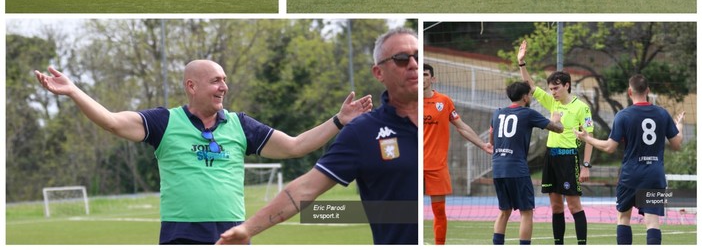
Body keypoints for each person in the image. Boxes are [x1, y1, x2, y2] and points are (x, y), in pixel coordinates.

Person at [34, 60, 372, 245]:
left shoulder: (241, 125)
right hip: (182, 235)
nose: (223, 86)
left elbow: (296, 145)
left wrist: (339, 120)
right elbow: (111, 122)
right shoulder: (164, 121)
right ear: (191, 86)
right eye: (214, 80)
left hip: (233, 233)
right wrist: (74, 91)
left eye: (224, 80)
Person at [216, 27, 419, 245]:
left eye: (418, 56)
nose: (413, 64)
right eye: (401, 58)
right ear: (379, 72)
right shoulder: (364, 132)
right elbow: (305, 187)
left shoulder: (441, 113)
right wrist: (248, 229)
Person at [575, 74, 684, 245]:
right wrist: (679, 127)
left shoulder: (623, 115)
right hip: (654, 175)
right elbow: (677, 145)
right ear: (648, 90)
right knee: (652, 221)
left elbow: (609, 147)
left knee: (624, 218)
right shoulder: (662, 114)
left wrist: (587, 138)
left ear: (629, 91)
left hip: (630, 175)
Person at [517, 39, 593, 245]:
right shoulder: (551, 102)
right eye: (550, 89)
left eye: (556, 88)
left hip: (569, 158)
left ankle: (582, 245)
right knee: (556, 206)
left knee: (574, 205)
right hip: (551, 157)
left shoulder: (581, 107)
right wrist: (521, 63)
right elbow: (531, 86)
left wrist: (585, 166)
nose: (553, 92)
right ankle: (558, 244)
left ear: (567, 85)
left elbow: (590, 138)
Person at [424, 63, 493, 245]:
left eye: (425, 74)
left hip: (436, 167)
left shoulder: (444, 101)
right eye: (419, 75)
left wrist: (482, 144)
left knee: (439, 211)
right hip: (412, 166)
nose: (422, 78)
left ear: (432, 78)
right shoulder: (409, 103)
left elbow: (462, 127)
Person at [490, 81, 564, 245]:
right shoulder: (528, 113)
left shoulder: (497, 113)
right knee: (526, 212)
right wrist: (556, 119)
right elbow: (558, 129)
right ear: (525, 97)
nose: (531, 97)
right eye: (530, 94)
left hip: (498, 167)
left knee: (504, 211)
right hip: (516, 168)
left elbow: (492, 136)